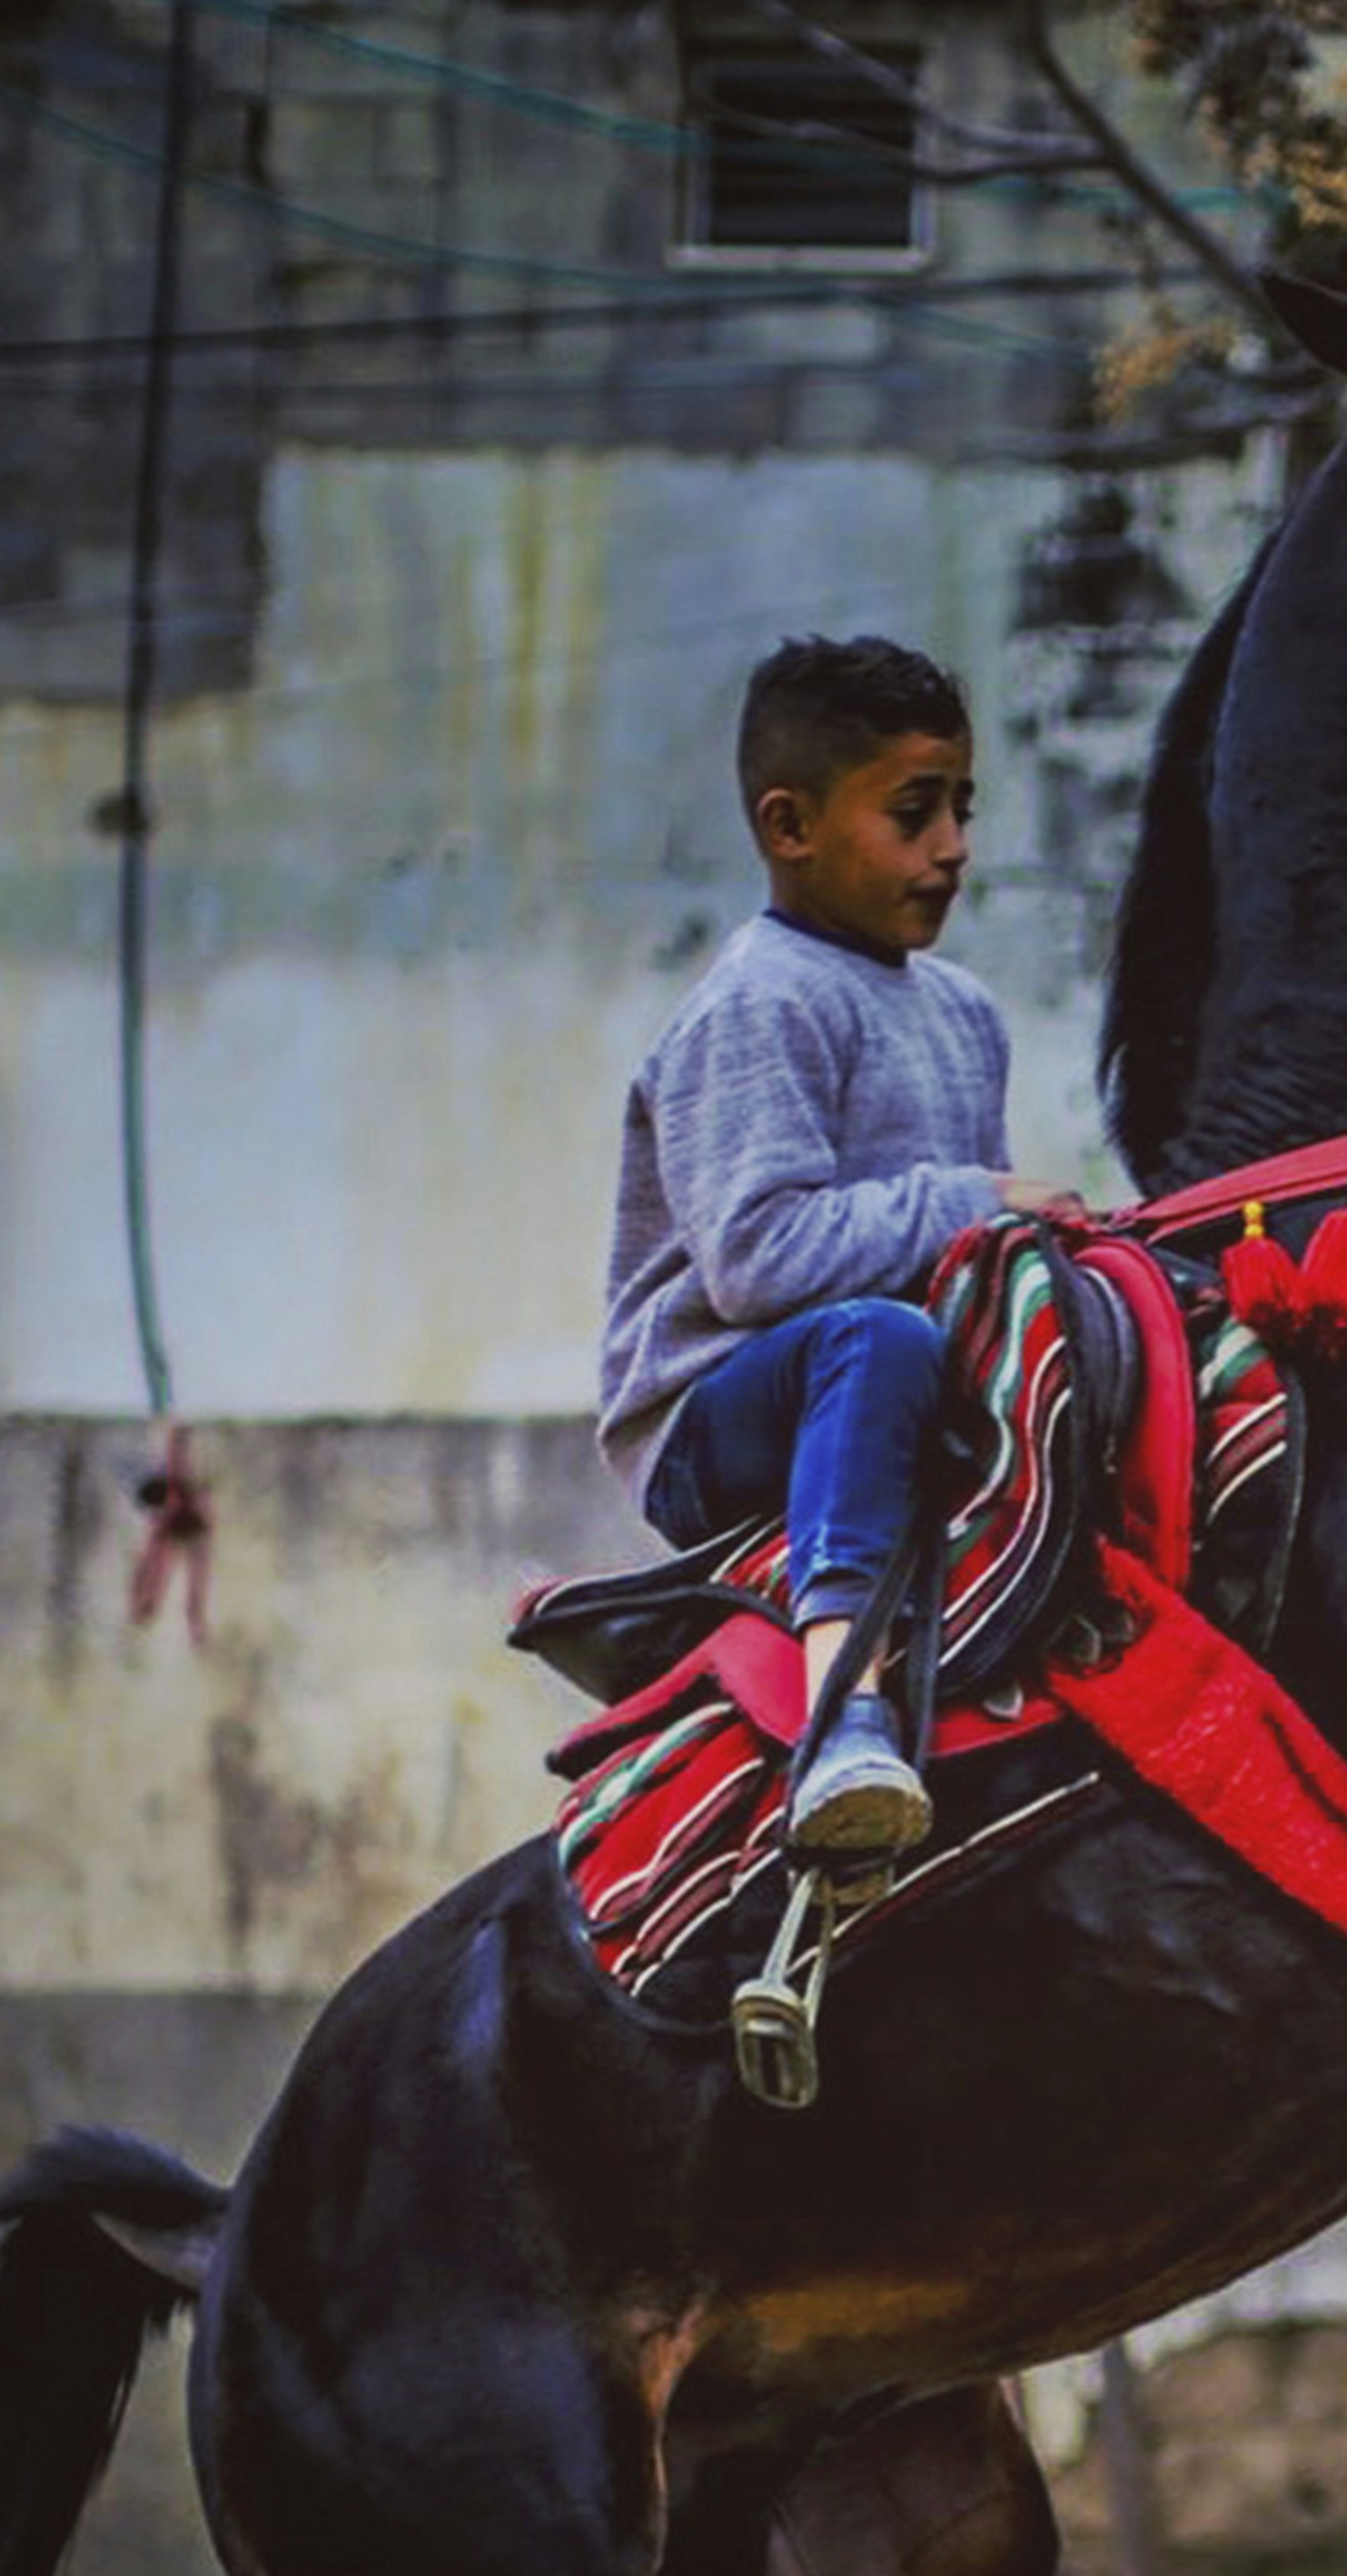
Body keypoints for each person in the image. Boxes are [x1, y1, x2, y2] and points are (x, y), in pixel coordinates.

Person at [595, 632, 1046, 1858]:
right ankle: (840, 1708)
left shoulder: (964, 1012)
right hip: (716, 1412)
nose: (953, 846)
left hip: (882, 1384)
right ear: (790, 828)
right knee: (879, 1335)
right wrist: (976, 1200)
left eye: (961, 806)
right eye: (913, 812)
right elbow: (756, 1259)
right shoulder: (761, 1000)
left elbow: (962, 1250)